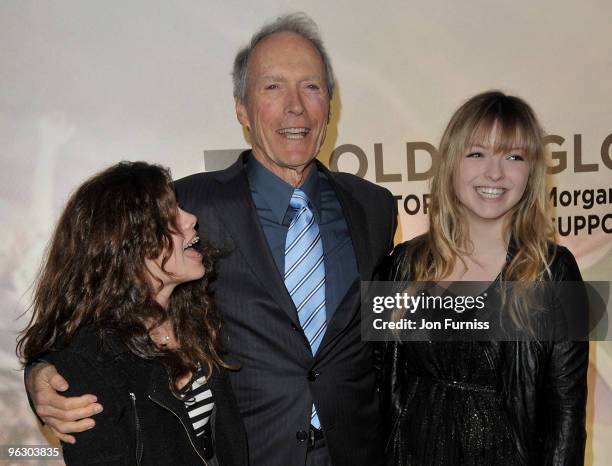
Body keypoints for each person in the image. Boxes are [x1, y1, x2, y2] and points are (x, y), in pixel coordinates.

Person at [25, 13, 397, 466]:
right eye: (273, 87)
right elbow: (98, 301)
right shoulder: (190, 206)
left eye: (312, 86)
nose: (295, 106)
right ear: (241, 109)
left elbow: (388, 325)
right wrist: (42, 374)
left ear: (331, 104)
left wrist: (501, 311)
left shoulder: (374, 207)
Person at [381, 91, 588, 465]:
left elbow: (567, 416)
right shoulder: (404, 265)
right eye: (476, 154)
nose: (495, 173)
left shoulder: (555, 273)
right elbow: (383, 388)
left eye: (513, 157)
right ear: (451, 164)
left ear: (531, 172)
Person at [18, 162, 248, 465]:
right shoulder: (87, 360)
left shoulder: (196, 316)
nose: (191, 218)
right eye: (169, 217)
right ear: (128, 245)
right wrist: (39, 372)